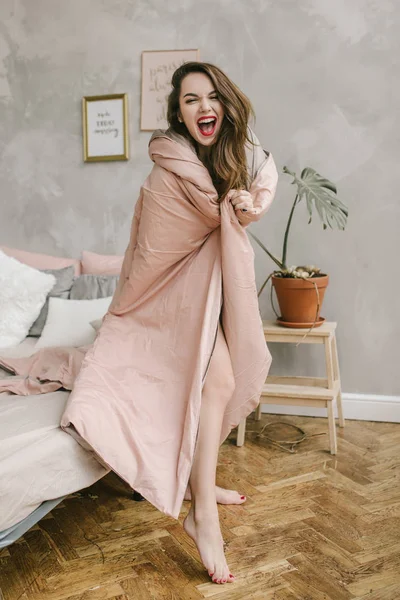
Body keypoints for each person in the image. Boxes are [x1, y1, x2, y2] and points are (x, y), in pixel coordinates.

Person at [61, 61, 278, 586]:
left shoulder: (239, 157)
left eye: (210, 97)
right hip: (173, 301)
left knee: (219, 384)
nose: (203, 107)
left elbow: (261, 185)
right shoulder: (167, 173)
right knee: (219, 380)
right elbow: (152, 255)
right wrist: (226, 213)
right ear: (178, 115)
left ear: (224, 103)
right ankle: (204, 513)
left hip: (217, 296)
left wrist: (245, 205)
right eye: (189, 100)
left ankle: (199, 489)